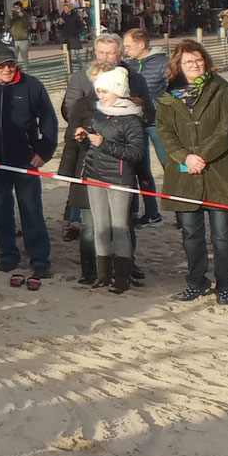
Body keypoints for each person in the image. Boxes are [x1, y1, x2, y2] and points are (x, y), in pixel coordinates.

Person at [158, 40, 228, 304]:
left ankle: (227, 282)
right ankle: (196, 281)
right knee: (191, 235)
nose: (195, 65)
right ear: (179, 65)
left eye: (198, 60)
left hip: (220, 171)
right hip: (185, 176)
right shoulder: (167, 96)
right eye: (188, 62)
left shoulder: (221, 89)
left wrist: (203, 155)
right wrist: (185, 157)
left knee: (222, 235)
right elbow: (165, 131)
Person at [0, 41, 58, 288]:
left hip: (24, 161)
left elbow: (48, 120)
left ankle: (40, 260)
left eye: (11, 64)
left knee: (31, 211)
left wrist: (43, 152)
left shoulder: (32, 86)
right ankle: (8, 256)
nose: (7, 69)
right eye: (2, 65)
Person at [75, 65, 148, 294]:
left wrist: (103, 144)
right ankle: (103, 275)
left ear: (118, 91)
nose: (101, 96)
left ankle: (122, 278)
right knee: (100, 227)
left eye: (105, 91)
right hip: (95, 175)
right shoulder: (98, 114)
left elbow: (136, 154)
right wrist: (82, 138)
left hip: (119, 179)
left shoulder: (132, 119)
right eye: (99, 91)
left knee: (120, 227)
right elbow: (91, 144)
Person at [123, 29, 171, 226]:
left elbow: (172, 90)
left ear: (141, 44)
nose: (125, 50)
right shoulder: (128, 65)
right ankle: (151, 211)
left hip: (159, 120)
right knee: (140, 168)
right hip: (136, 122)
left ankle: (181, 211)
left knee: (170, 165)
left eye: (128, 46)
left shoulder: (163, 62)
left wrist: (155, 104)